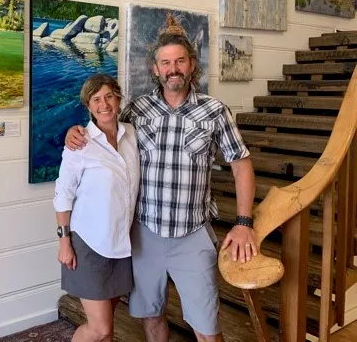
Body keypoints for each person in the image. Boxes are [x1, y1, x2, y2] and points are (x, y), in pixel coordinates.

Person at [65, 25, 257, 342]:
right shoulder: (137, 109)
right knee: (152, 315)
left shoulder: (214, 111)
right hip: (144, 235)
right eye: (165, 63)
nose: (173, 69)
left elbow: (241, 165)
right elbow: (104, 130)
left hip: (193, 234)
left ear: (192, 64)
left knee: (207, 326)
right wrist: (75, 131)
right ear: (155, 69)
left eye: (180, 61)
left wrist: (244, 222)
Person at [54, 74, 141, 342]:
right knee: (99, 329)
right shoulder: (80, 143)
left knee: (108, 327)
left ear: (119, 99)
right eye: (96, 99)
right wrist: (64, 242)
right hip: (89, 244)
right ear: (88, 106)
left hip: (121, 244)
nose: (104, 104)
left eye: (109, 97)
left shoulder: (132, 135)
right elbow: (63, 195)